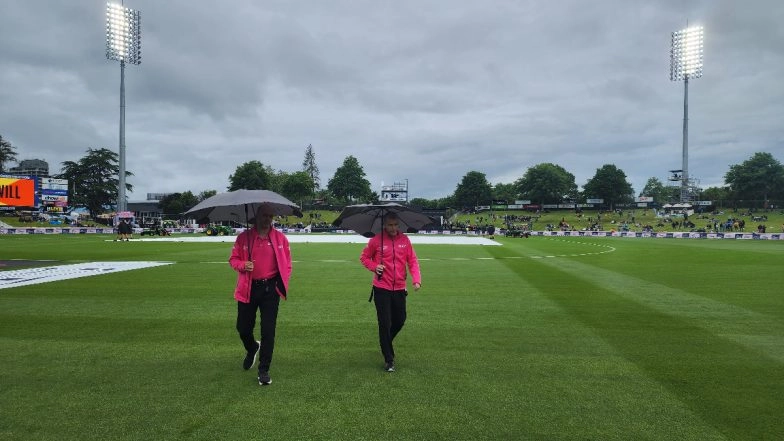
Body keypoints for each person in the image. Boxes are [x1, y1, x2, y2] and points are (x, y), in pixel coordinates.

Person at [229, 204, 292, 386]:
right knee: (243, 328)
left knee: (268, 331)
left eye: (270, 216)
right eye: (264, 215)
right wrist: (243, 265)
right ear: (256, 217)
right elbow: (233, 259)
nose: (267, 219)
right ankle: (252, 347)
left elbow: (287, 264)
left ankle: (263, 369)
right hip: (248, 288)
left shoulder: (280, 238)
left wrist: (282, 282)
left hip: (270, 290)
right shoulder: (244, 238)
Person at [360, 212, 422, 372]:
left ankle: (385, 341)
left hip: (400, 288)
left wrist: (416, 279)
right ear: (384, 225)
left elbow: (413, 261)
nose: (393, 228)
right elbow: (364, 258)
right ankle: (389, 359)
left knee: (400, 320)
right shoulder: (376, 240)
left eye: (395, 225)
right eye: (390, 225)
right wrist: (375, 266)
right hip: (381, 288)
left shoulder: (405, 240)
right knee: (384, 323)